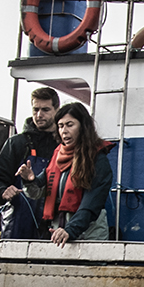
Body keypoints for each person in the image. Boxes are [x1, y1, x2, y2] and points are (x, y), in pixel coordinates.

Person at [36, 101, 115, 243]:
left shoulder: (98, 159)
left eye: (70, 125)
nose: (64, 131)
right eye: (60, 126)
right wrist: (29, 179)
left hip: (89, 235)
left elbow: (91, 205)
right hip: (60, 233)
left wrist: (70, 230)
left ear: (83, 127)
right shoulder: (57, 157)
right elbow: (38, 189)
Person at [0, 86, 60, 238]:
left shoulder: (64, 146)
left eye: (45, 110)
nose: (39, 115)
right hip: (17, 225)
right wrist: (3, 191)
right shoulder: (16, 143)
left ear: (57, 110)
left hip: (53, 228)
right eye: (35, 109)